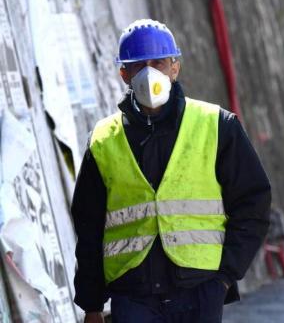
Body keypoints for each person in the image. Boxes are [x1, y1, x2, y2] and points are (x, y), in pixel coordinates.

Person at [71, 19, 271, 323]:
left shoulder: (216, 125)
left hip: (199, 290)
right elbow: (88, 226)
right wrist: (92, 304)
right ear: (123, 73)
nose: (149, 72)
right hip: (132, 295)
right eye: (139, 65)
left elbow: (253, 202)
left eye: (159, 62)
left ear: (174, 68)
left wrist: (225, 276)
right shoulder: (103, 139)